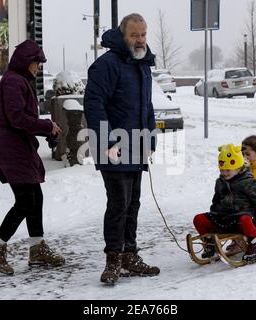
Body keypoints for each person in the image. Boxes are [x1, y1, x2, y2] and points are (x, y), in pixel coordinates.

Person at [84, 13, 160, 285]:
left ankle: (130, 255)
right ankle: (113, 259)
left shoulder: (142, 64)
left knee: (134, 203)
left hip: (136, 144)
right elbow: (94, 105)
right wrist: (107, 143)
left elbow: (146, 107)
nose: (139, 40)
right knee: (119, 204)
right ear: (122, 35)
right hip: (114, 146)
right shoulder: (106, 65)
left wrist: (150, 139)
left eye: (143, 35)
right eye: (134, 35)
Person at [0, 40, 65, 276]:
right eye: (37, 62)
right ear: (27, 61)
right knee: (26, 200)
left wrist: (46, 128)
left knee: (34, 196)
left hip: (18, 147)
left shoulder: (18, 81)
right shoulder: (14, 82)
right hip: (12, 149)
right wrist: (46, 126)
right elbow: (16, 118)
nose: (39, 67)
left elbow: (21, 119)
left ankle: (37, 249)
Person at [193, 144, 256, 263]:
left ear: (238, 168)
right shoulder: (220, 182)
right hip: (223, 218)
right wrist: (213, 215)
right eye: (222, 170)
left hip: (241, 219)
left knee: (245, 219)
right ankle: (210, 243)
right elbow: (216, 201)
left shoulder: (248, 181)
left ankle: (254, 245)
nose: (224, 173)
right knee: (199, 219)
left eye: (228, 170)